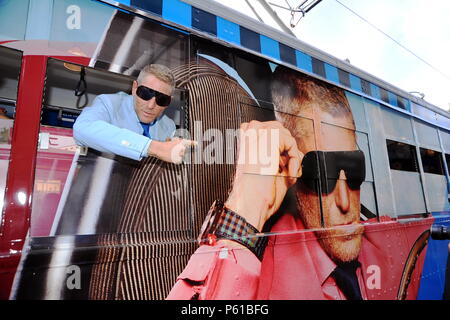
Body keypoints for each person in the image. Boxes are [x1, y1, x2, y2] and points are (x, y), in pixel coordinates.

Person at [167, 66, 431, 300]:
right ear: (289, 166)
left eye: (353, 168)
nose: (344, 201)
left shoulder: (392, 241)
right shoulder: (262, 280)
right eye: (322, 174)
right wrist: (242, 219)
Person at [73, 64, 195, 163]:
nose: (151, 105)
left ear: (169, 101)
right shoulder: (109, 103)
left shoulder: (168, 125)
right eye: (146, 93)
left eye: (162, 99)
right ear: (135, 88)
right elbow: (82, 128)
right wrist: (153, 147)